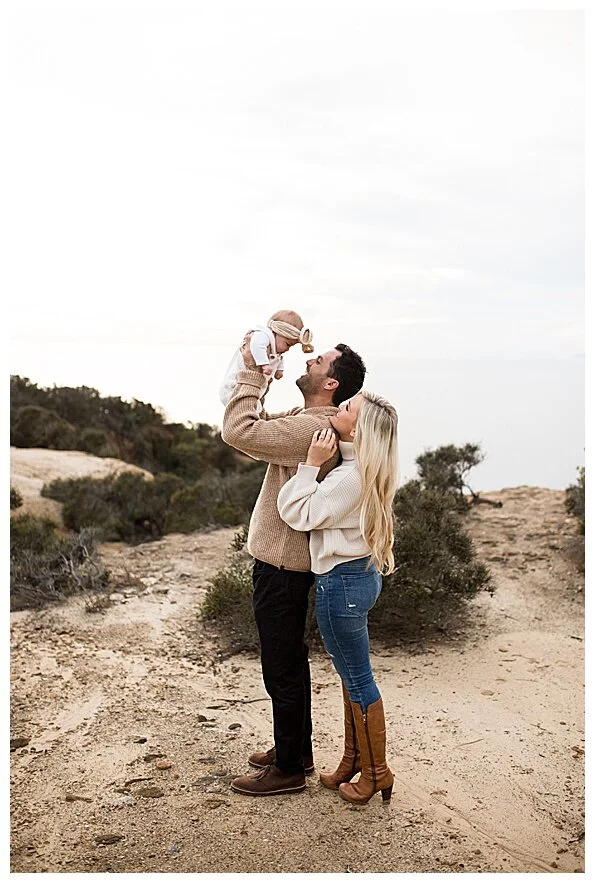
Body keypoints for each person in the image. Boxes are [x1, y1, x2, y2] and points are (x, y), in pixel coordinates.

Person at [221, 340, 366, 797]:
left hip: (283, 563)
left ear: (331, 382)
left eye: (318, 361)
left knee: (280, 663)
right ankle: (295, 752)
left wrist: (249, 372)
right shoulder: (309, 422)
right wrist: (264, 373)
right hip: (286, 560)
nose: (309, 359)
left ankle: (288, 769)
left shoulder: (312, 428)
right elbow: (261, 424)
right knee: (287, 660)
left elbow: (238, 431)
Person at [277, 390, 398, 805]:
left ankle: (377, 772)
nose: (340, 407)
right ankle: (352, 760)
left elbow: (298, 513)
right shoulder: (358, 467)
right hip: (356, 578)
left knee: (359, 678)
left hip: (341, 584)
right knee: (352, 674)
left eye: (349, 408)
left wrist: (309, 466)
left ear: (359, 428)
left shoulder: (351, 477)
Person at [219, 310, 314, 411]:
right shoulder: (262, 336)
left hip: (254, 390)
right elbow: (256, 346)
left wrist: (279, 370)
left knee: (253, 410)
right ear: (276, 332)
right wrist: (264, 364)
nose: (287, 349)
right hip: (234, 385)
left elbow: (279, 359)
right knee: (248, 410)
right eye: (287, 344)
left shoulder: (275, 350)